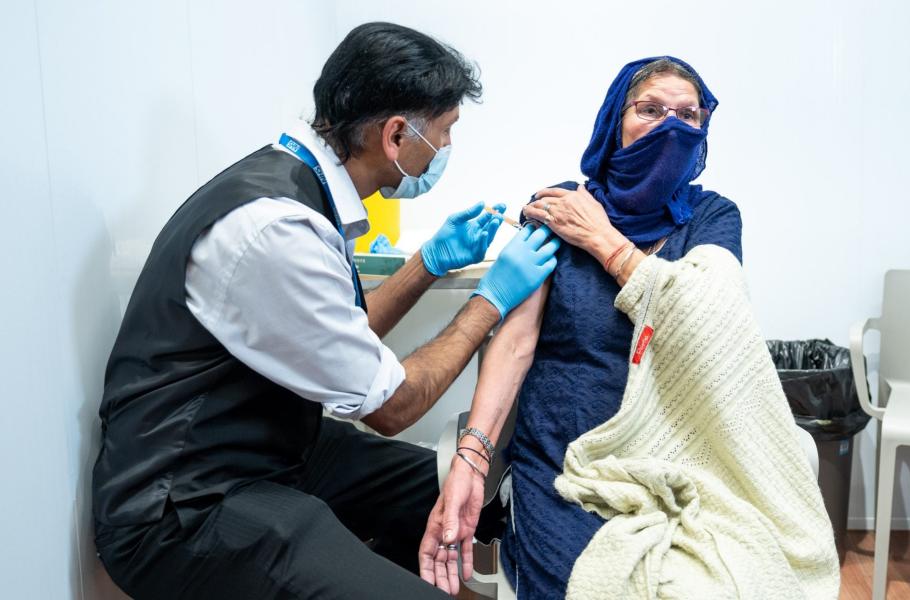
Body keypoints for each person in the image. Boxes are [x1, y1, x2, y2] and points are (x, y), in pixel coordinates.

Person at [91, 22, 559, 600]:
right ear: (396, 135)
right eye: (444, 132)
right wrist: (491, 300)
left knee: (470, 496)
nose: (446, 150)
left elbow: (343, 336)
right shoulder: (277, 228)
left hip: (267, 444)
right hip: (181, 507)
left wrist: (429, 263)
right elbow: (395, 405)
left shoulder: (300, 183)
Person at [419, 57, 742, 598]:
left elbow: (704, 323)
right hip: (564, 460)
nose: (671, 127)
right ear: (616, 119)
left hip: (677, 460)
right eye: (650, 110)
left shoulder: (712, 219)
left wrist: (599, 238)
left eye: (689, 116)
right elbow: (516, 344)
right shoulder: (561, 205)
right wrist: (472, 457)